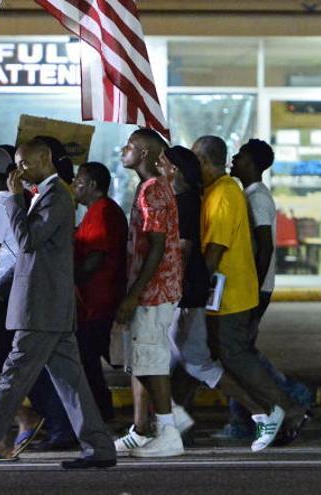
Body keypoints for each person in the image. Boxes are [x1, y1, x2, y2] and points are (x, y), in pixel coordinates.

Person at [0, 138, 116, 470]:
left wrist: (16, 198)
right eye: (17, 164)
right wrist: (3, 284)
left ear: (44, 158)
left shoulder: (57, 196)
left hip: (41, 307)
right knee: (71, 383)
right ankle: (99, 448)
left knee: (12, 378)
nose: (19, 171)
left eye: (24, 163)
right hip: (46, 306)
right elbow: (27, 255)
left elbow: (27, 241)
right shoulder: (45, 196)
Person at [155, 145, 278, 447]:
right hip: (195, 294)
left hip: (199, 294)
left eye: (163, 164)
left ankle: (266, 412)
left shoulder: (219, 194)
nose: (159, 168)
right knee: (171, 360)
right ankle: (170, 424)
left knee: (199, 361)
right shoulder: (203, 194)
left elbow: (207, 251)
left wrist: (181, 290)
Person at [193, 135, 305, 452]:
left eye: (240, 157)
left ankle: (286, 407)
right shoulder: (236, 192)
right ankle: (255, 415)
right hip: (236, 289)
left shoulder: (253, 197)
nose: (234, 161)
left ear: (253, 164)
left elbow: (264, 245)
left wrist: (255, 289)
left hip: (243, 289)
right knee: (230, 354)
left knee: (237, 354)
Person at [112, 129, 185, 458]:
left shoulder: (152, 190)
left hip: (154, 291)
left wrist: (133, 295)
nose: (123, 150)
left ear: (143, 154)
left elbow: (156, 248)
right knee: (143, 361)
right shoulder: (153, 187)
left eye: (129, 146)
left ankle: (169, 431)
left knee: (152, 362)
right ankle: (147, 429)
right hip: (153, 289)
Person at [71, 161, 128, 422]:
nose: (74, 187)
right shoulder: (95, 211)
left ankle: (100, 413)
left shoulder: (102, 212)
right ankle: (101, 412)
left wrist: (72, 278)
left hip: (99, 301)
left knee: (88, 359)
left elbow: (96, 256)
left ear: (93, 185)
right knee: (92, 358)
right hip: (93, 302)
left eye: (78, 182)